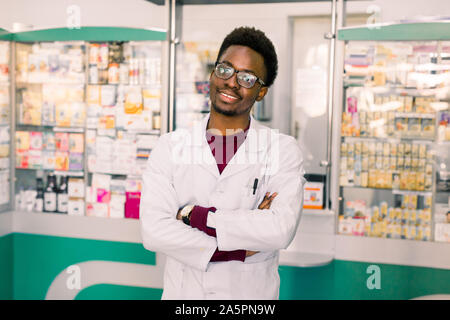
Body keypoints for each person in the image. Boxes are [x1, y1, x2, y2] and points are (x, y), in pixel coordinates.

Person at [140, 26, 305, 300]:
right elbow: (153, 231)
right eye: (225, 70)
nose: (232, 82)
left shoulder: (282, 150)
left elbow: (279, 230)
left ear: (261, 92)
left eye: (247, 78)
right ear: (213, 74)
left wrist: (194, 216)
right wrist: (240, 247)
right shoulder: (170, 146)